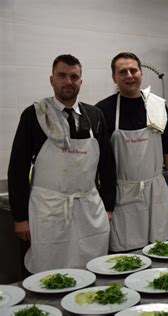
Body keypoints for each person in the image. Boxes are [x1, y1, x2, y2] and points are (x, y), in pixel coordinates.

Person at [8, 54, 115, 273]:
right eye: (62, 76)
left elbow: (107, 165)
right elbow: (17, 169)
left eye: (74, 76)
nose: (68, 82)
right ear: (52, 79)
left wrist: (109, 206)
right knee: (51, 270)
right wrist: (20, 217)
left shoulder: (94, 115)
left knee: (92, 269)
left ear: (81, 82)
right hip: (49, 210)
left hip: (89, 209)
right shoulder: (35, 115)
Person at [96, 52, 168, 252]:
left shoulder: (157, 106)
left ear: (141, 74)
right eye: (123, 72)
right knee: (127, 253)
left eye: (133, 70)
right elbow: (99, 161)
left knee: (161, 249)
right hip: (122, 194)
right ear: (114, 78)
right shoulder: (103, 111)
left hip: (156, 191)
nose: (129, 75)